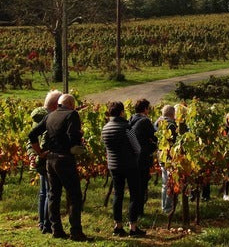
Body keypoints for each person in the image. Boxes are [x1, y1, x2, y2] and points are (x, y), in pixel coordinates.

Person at [28, 93, 91, 242]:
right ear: (71, 104)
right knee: (74, 195)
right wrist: (79, 137)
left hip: (50, 160)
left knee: (53, 195)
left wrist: (40, 153)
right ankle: (76, 231)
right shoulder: (72, 115)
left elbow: (32, 134)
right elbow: (72, 137)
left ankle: (56, 229)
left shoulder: (50, 115)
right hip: (65, 159)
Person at [101, 101, 146, 237]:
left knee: (118, 194)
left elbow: (106, 147)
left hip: (113, 165)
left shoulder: (105, 128)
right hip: (129, 165)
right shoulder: (127, 127)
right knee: (134, 195)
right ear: (121, 112)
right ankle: (133, 227)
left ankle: (118, 226)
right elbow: (137, 148)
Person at [26, 89, 61, 234]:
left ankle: (41, 223)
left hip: (38, 159)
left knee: (43, 193)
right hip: (46, 159)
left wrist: (33, 156)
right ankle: (47, 225)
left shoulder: (37, 117)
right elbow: (47, 141)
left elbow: (29, 140)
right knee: (50, 193)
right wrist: (42, 154)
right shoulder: (50, 118)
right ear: (55, 105)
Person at [129, 98, 157, 217]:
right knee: (142, 185)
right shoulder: (145, 121)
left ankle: (133, 211)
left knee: (134, 185)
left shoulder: (130, 119)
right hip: (143, 157)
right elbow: (155, 137)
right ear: (145, 109)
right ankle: (139, 212)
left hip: (131, 157)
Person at [155, 105, 177, 214]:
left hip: (160, 154)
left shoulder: (157, 123)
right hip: (169, 156)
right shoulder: (171, 125)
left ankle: (165, 206)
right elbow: (174, 142)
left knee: (165, 182)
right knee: (169, 182)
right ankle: (168, 207)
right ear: (172, 114)